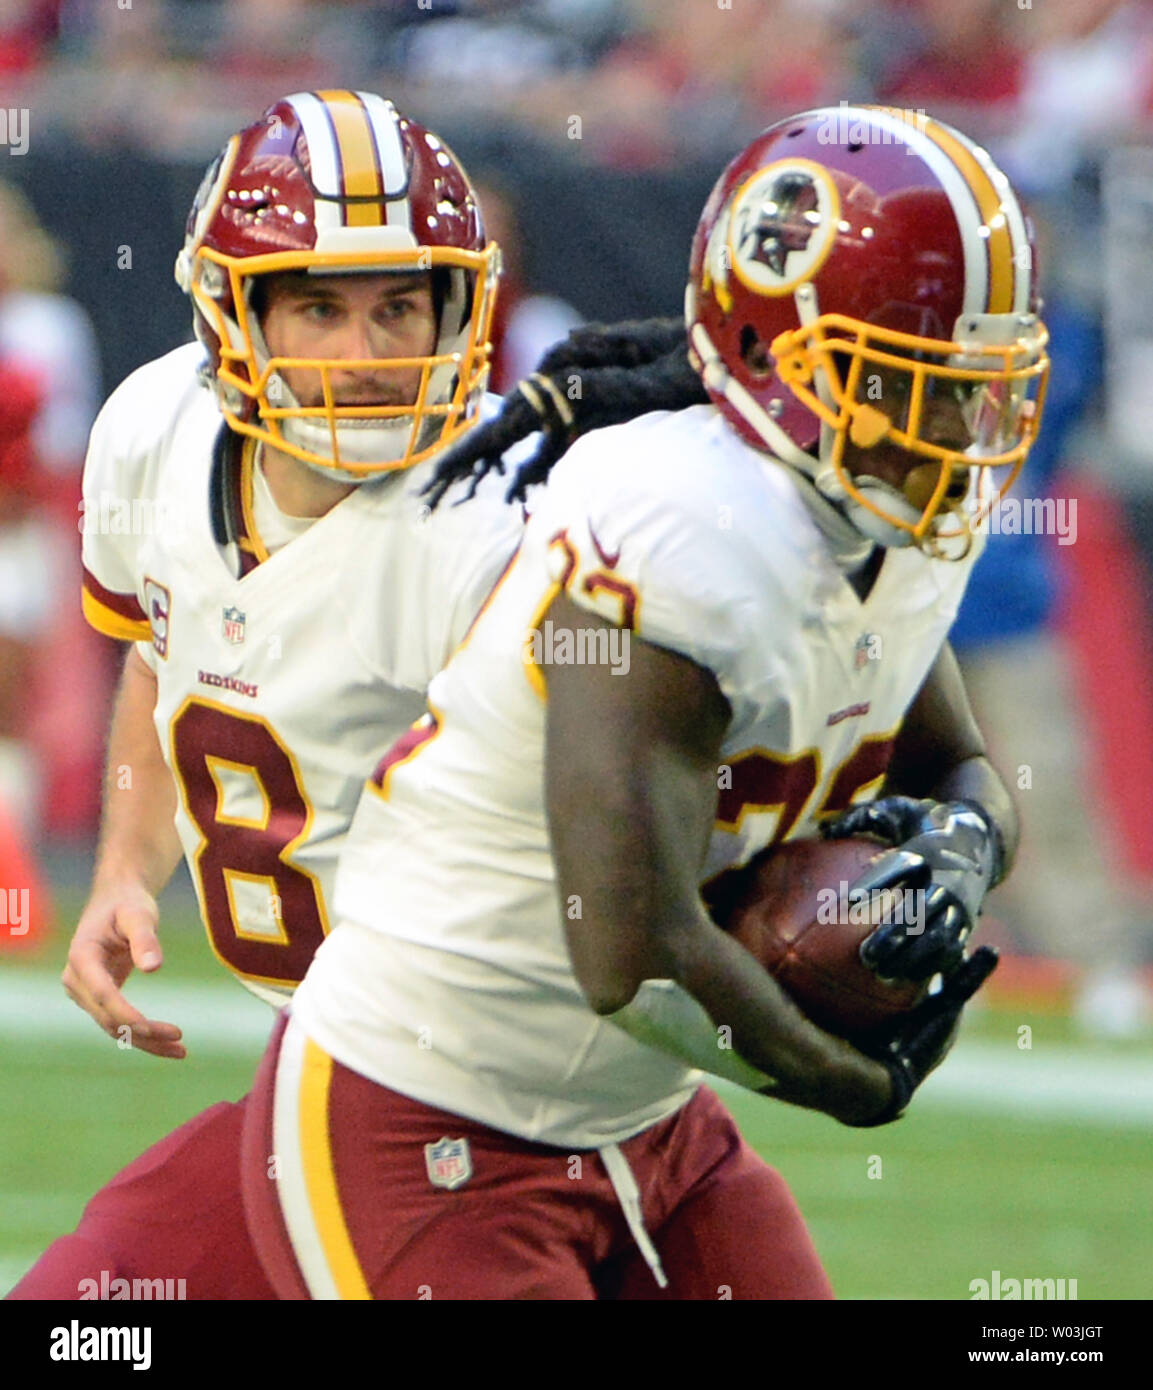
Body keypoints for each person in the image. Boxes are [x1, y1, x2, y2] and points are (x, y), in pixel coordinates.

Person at [240, 105, 1048, 1300]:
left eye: (971, 387)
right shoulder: (679, 531)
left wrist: (960, 859)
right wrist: (846, 1078)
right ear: (787, 356)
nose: (950, 428)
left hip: (650, 1119)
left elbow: (955, 769)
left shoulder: (892, 509)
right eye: (911, 382)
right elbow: (634, 953)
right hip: (423, 1113)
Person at [9, 88, 527, 1300]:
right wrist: (128, 868)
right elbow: (155, 650)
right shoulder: (153, 429)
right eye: (320, 308)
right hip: (340, 1066)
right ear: (235, 311)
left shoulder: (502, 516)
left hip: (493, 1086)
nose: (368, 353)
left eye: (401, 306)